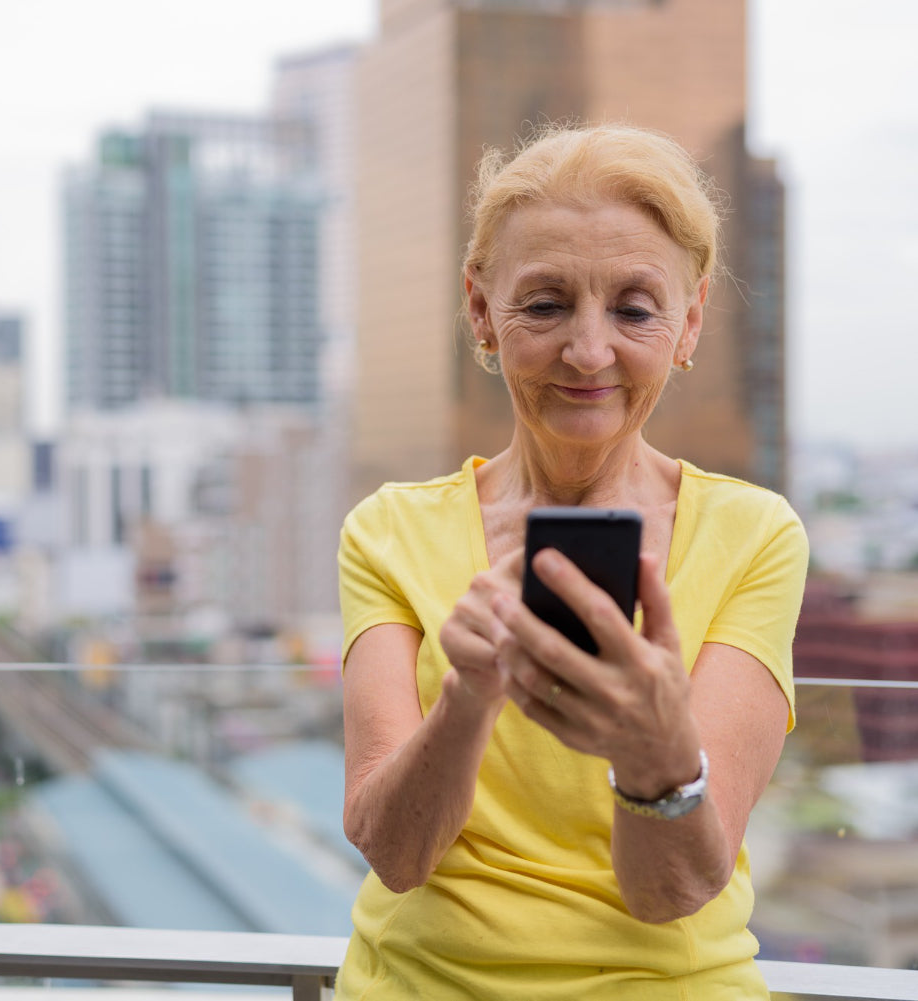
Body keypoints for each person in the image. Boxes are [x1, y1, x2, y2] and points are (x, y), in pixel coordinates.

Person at [335, 123, 808, 1000]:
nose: (589, 353)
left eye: (633, 309)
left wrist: (655, 753)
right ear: (482, 310)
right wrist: (468, 693)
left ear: (689, 320)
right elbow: (397, 855)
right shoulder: (388, 531)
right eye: (546, 304)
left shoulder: (754, 535)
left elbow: (672, 888)